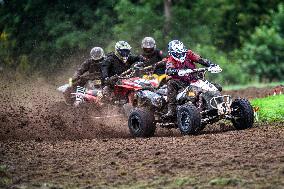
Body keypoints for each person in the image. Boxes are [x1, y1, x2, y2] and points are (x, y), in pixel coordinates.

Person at [163, 40, 220, 118]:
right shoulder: (170, 60)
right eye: (177, 53)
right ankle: (171, 110)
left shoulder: (188, 53)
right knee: (171, 83)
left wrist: (211, 65)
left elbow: (200, 59)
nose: (180, 55)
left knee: (217, 87)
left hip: (193, 78)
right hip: (180, 82)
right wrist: (177, 71)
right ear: (172, 53)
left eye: (182, 52)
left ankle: (216, 105)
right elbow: (168, 70)